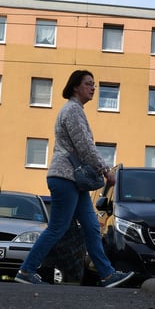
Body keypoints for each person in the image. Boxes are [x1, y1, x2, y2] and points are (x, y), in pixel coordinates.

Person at [15, 69, 133, 288]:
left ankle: (107, 275)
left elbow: (83, 146)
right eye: (88, 84)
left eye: (94, 84)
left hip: (75, 182)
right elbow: (84, 146)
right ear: (75, 87)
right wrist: (105, 170)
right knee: (57, 228)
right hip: (64, 178)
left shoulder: (76, 110)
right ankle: (26, 270)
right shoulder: (72, 110)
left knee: (91, 227)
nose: (93, 88)